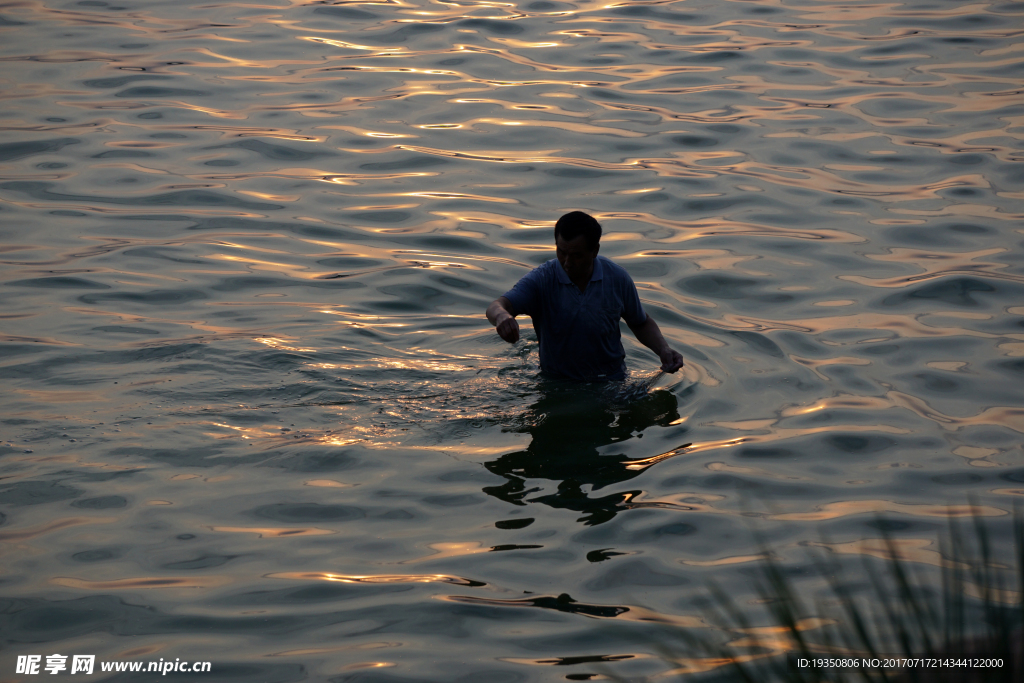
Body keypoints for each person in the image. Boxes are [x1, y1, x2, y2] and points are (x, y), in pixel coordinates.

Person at [486, 211, 684, 381]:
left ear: (595, 251)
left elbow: (640, 322)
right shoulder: (542, 279)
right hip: (558, 383)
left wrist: (663, 349)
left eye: (577, 255)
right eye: (561, 252)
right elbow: (498, 305)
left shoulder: (617, 278)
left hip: (611, 379)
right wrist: (502, 317)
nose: (567, 262)